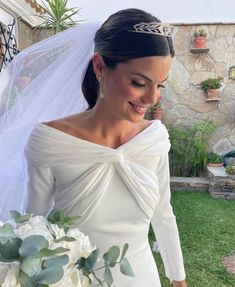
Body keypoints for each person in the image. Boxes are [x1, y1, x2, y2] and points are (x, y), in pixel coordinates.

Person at [0, 8, 187, 287]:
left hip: (143, 278)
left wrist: (178, 277)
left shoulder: (154, 140)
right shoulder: (50, 140)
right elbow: (35, 229)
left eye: (160, 85)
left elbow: (163, 214)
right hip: (73, 279)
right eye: (139, 82)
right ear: (100, 67)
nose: (152, 98)